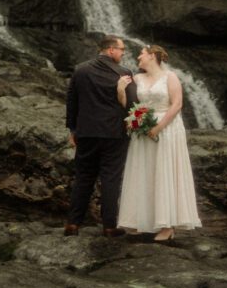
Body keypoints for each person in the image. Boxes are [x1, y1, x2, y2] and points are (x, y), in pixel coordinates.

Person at [117, 44, 202, 242]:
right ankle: (141, 221)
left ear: (153, 56)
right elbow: (130, 107)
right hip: (143, 129)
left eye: (142, 54)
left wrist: (159, 127)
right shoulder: (137, 79)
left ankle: (167, 226)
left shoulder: (170, 77)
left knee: (165, 171)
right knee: (144, 171)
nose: (138, 57)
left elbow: (177, 104)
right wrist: (121, 91)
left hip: (168, 128)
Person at [64, 34, 137, 237]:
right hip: (114, 133)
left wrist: (73, 130)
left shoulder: (81, 70)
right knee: (110, 179)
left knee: (83, 178)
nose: (123, 53)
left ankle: (73, 224)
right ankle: (109, 226)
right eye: (121, 49)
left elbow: (71, 102)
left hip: (86, 132)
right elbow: (132, 105)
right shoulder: (124, 73)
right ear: (111, 50)